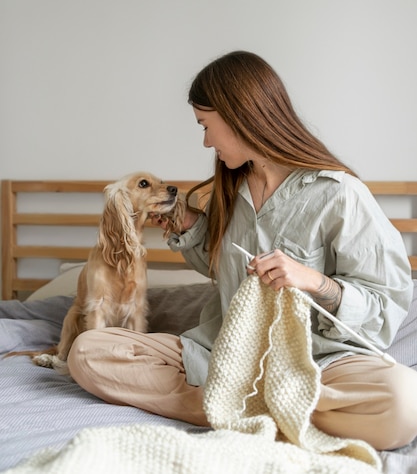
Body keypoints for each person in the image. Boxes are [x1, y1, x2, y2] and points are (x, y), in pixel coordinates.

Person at [67, 50, 417, 450]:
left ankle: (238, 406)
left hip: (319, 363)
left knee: (405, 403)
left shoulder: (341, 195)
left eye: (206, 126)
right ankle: (278, 411)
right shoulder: (229, 192)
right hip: (221, 355)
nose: (205, 141)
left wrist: (316, 282)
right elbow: (223, 269)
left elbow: (385, 303)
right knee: (89, 352)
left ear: (238, 116)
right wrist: (191, 226)